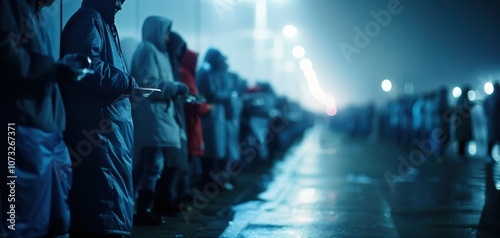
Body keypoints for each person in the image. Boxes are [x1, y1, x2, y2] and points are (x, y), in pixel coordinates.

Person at [0, 1, 88, 237]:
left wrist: (56, 69)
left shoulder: (35, 14)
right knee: (19, 215)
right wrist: (54, 69)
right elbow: (5, 55)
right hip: (21, 128)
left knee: (55, 215)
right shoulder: (10, 6)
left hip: (48, 130)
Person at [59, 0, 138, 236]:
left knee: (111, 195)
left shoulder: (100, 22)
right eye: (117, 0)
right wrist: (126, 81)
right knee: (106, 199)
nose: (120, 7)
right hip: (101, 131)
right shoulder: (90, 19)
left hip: (110, 131)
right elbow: (86, 66)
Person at [130, 17, 189, 224]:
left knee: (153, 166)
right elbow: (148, 84)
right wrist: (175, 88)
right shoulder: (148, 50)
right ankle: (138, 210)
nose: (167, 38)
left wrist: (174, 88)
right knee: (145, 167)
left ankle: (143, 209)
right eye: (165, 33)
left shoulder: (157, 52)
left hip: (158, 118)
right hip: (151, 118)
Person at [197, 48, 233, 189]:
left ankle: (215, 180)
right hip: (210, 115)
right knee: (211, 150)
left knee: (218, 149)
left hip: (217, 116)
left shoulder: (214, 73)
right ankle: (208, 181)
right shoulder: (205, 73)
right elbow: (213, 94)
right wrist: (227, 94)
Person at [180, 49, 212, 189]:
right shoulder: (185, 75)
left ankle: (184, 191)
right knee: (187, 159)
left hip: (192, 121)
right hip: (190, 121)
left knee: (190, 159)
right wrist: (206, 108)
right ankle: (182, 192)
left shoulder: (189, 75)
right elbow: (194, 102)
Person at [454, 85, 475, 160]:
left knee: (464, 139)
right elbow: (461, 109)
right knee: (461, 140)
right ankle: (460, 154)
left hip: (464, 123)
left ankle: (462, 154)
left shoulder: (464, 99)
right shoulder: (462, 99)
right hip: (462, 124)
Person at [483, 82, 500, 162]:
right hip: (493, 122)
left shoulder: (489, 98)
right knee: (491, 140)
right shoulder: (490, 98)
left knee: (492, 139)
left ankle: (489, 155)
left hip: (493, 122)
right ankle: (489, 155)